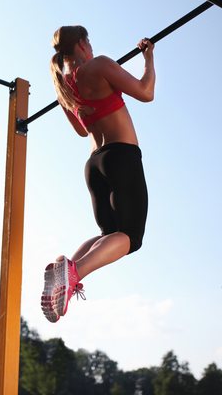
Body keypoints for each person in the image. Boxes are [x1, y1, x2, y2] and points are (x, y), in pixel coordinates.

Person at [41, 25, 156, 323]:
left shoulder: (62, 86)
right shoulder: (99, 65)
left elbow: (82, 130)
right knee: (130, 236)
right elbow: (146, 92)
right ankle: (74, 271)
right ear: (82, 44)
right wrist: (148, 59)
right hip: (121, 155)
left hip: (94, 164)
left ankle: (68, 270)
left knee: (110, 235)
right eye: (89, 43)